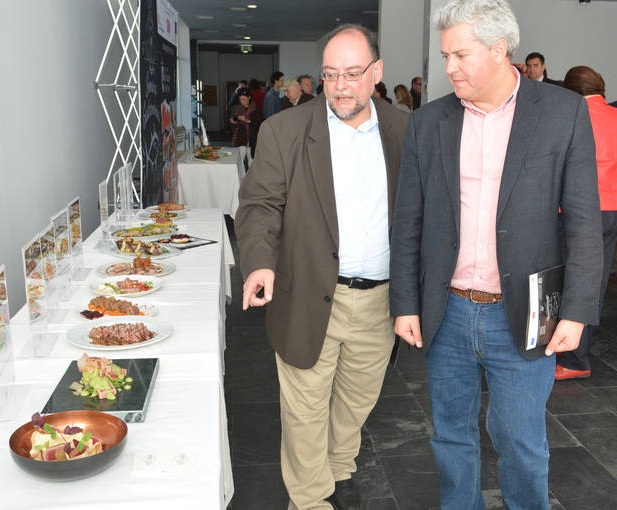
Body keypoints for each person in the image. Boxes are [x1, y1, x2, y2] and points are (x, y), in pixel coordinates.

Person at [389, 1, 603, 509]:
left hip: (528, 312)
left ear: (500, 48)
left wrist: (576, 312)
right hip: (448, 311)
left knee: (521, 444)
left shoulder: (561, 112)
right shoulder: (429, 122)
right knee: (450, 438)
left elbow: (583, 223)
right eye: (445, 56)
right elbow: (409, 223)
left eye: (460, 55)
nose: (449, 68)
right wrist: (405, 303)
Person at [236, 23, 408, 510]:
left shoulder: (403, 131)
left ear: (376, 72)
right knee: (306, 408)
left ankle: (334, 465)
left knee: (356, 401)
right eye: (330, 74)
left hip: (379, 301)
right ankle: (309, 500)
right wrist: (259, 264)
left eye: (353, 74)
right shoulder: (285, 130)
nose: (340, 86)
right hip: (306, 293)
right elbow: (260, 206)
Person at [557, 66, 617, 379]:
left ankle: (572, 358)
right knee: (596, 281)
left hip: (577, 210)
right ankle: (580, 355)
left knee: (571, 280)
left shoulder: (573, 117)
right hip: (611, 211)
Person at [229, 87, 260, 170]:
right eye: (240, 100)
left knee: (251, 159)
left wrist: (246, 120)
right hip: (241, 136)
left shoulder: (255, 108)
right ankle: (241, 178)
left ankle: (251, 179)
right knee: (240, 159)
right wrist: (234, 121)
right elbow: (236, 122)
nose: (242, 102)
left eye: (244, 99)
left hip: (251, 137)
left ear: (249, 97)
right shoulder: (239, 108)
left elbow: (257, 123)